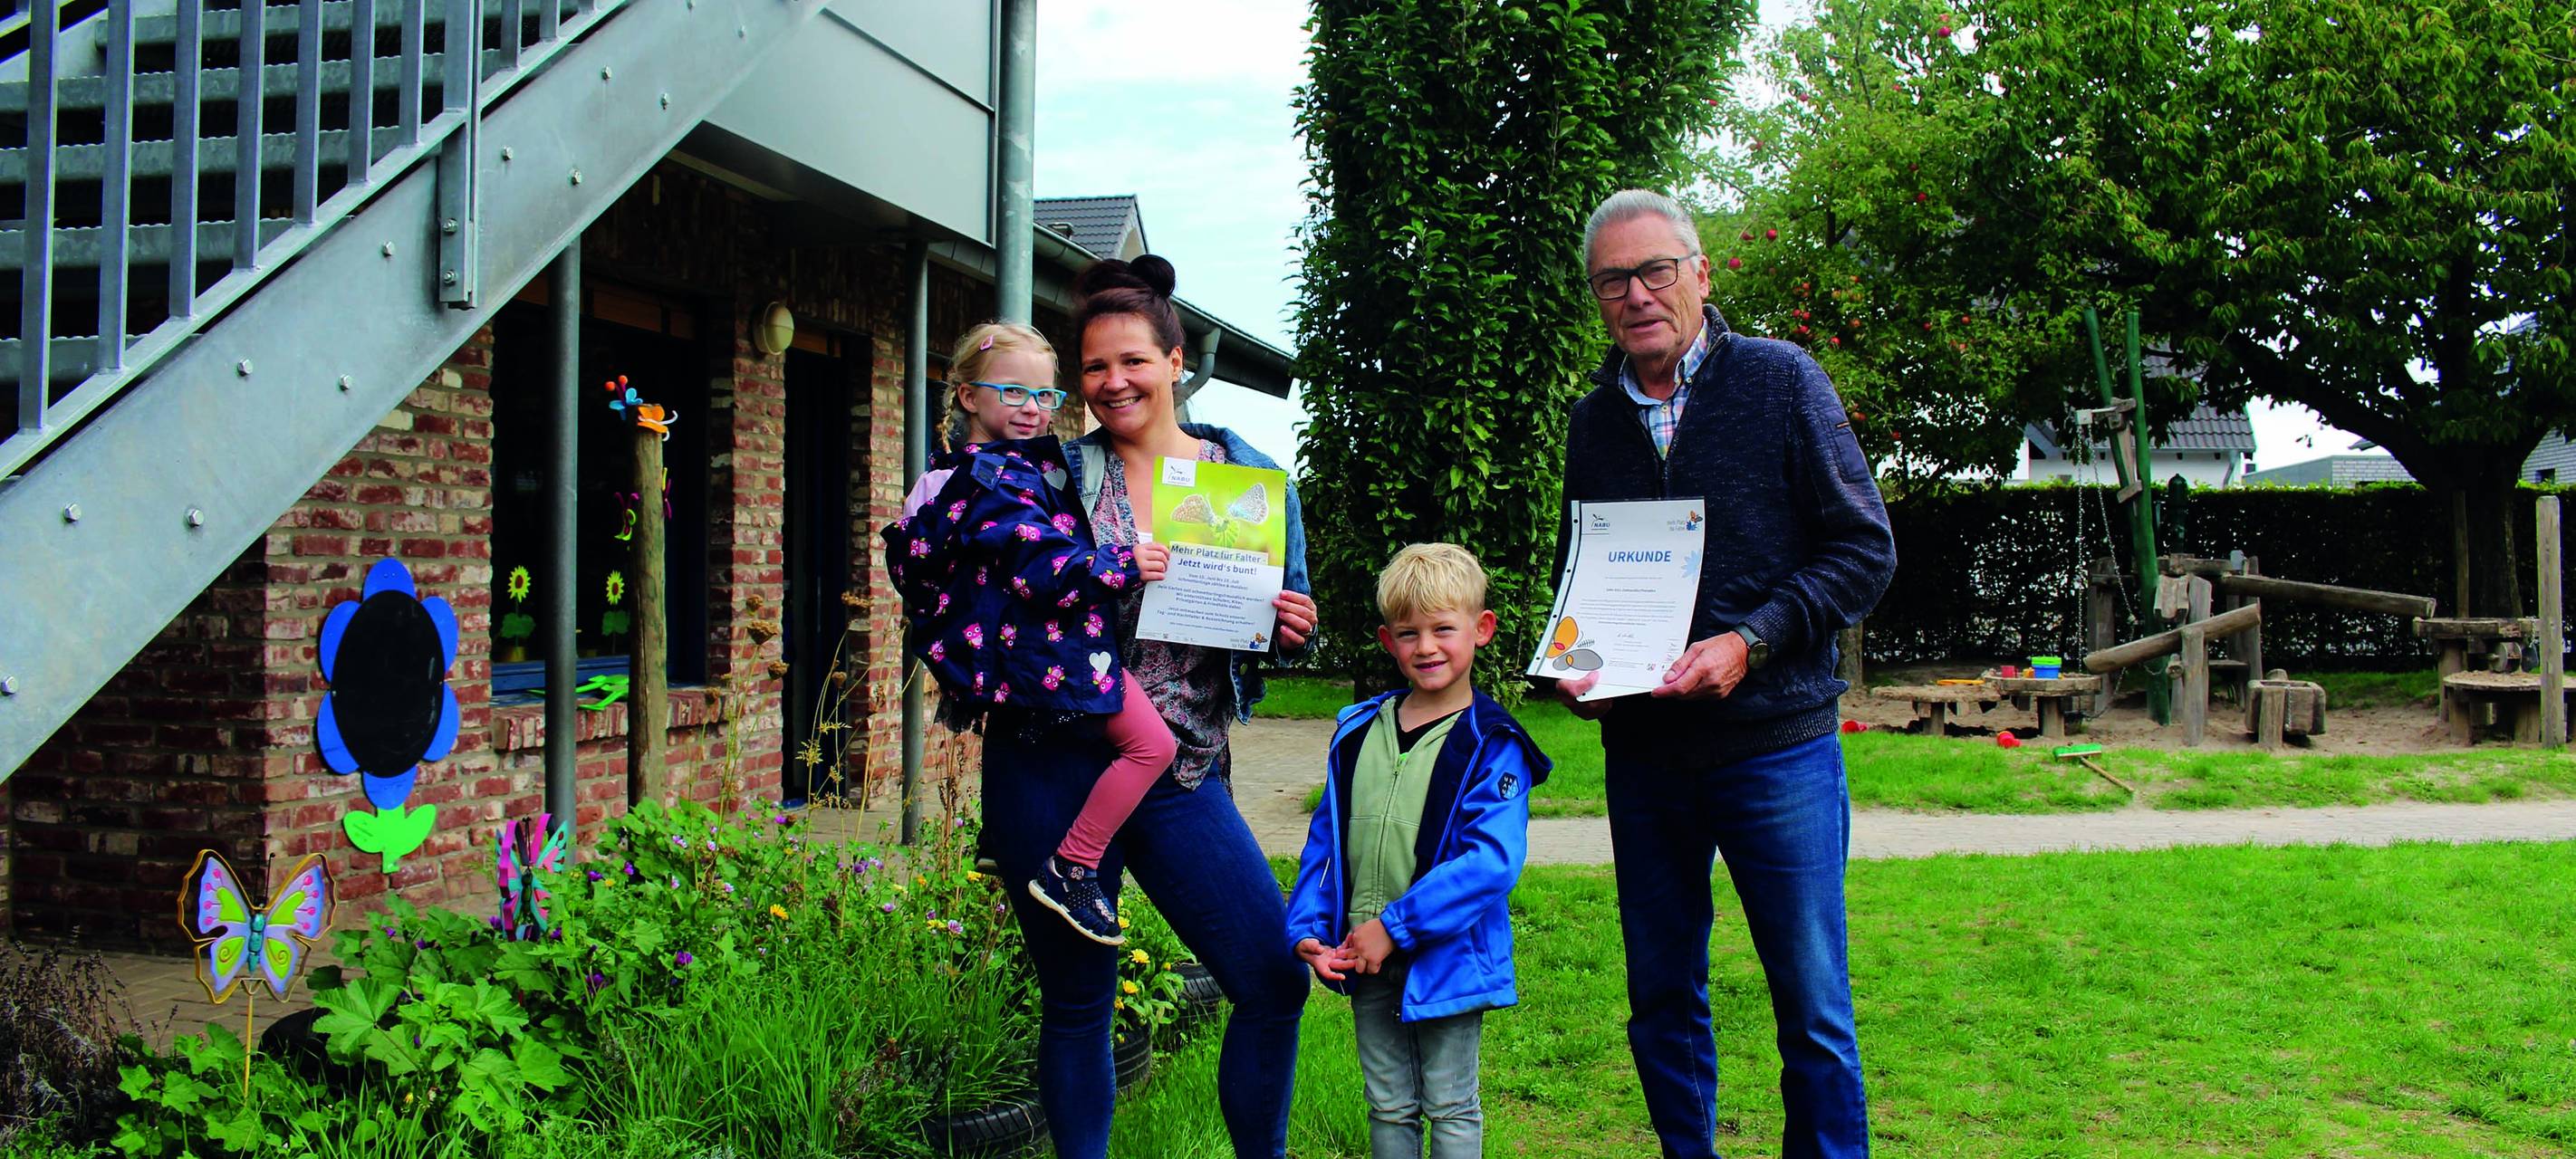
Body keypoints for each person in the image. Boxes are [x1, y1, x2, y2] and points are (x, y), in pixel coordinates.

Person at [1552, 189, 1896, 1159]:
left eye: (1656, 269)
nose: (1637, 294)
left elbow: (1864, 550)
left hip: (1774, 749)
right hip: (1649, 758)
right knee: (1661, 993)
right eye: (1613, 280)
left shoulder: (1784, 383)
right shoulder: (1594, 423)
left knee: (1813, 1001)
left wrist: (1750, 640)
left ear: (1702, 273)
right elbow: (1578, 576)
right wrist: (1572, 664)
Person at [976, 254, 1316, 1159]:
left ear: (1174, 361)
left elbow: (1282, 620)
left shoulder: (1246, 476)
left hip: (1179, 767)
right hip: (1049, 764)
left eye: (1132, 359)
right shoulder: (1046, 471)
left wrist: (1291, 628)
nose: (1112, 381)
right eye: (1093, 366)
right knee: (1079, 997)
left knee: (1272, 977)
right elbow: (988, 578)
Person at [883, 321, 1178, 945]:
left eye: (1047, 397)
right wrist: (1123, 563)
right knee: (1154, 747)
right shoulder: (999, 480)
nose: (1034, 410)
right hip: (1054, 651)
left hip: (1011, 659)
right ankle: (1074, 865)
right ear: (967, 397)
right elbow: (1038, 564)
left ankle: (1000, 837)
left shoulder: (949, 475)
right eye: (1014, 392)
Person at [1285, 542, 1549, 1159]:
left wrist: (1395, 928)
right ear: (1387, 641)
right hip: (1362, 954)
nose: (1426, 646)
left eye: (1442, 629)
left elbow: (1492, 863)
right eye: (1409, 633)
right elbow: (1325, 840)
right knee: (1389, 1105)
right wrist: (1307, 928)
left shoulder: (1494, 743)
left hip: (1445, 956)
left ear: (1480, 630)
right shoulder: (1356, 732)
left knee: (1451, 1105)